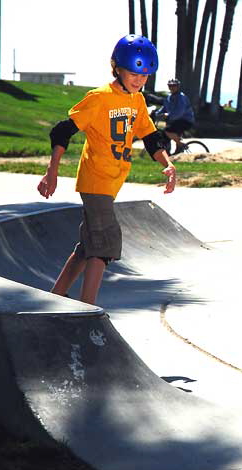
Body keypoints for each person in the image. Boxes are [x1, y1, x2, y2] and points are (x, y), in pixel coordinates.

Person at [37, 34, 176, 305]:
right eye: (134, 73)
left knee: (87, 247)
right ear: (117, 68)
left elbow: (150, 137)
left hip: (112, 183)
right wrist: (51, 171)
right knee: (105, 246)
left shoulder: (136, 101)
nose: (139, 80)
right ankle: (87, 308)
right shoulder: (99, 98)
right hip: (95, 181)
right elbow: (62, 131)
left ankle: (56, 296)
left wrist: (167, 164)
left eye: (145, 76)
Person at [154, 78, 196, 154]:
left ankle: (181, 144)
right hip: (175, 120)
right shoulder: (169, 97)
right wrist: (156, 114)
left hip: (185, 120)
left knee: (168, 130)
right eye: (170, 86)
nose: (172, 87)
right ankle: (170, 154)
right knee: (165, 136)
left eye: (174, 86)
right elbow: (164, 108)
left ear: (178, 87)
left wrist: (168, 116)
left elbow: (180, 112)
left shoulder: (181, 97)